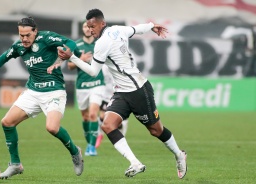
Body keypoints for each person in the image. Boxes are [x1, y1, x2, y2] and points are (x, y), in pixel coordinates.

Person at [48, 9, 187, 179]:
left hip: (138, 90)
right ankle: (135, 162)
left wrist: (73, 58)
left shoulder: (102, 43)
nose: (91, 30)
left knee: (156, 130)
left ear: (102, 23)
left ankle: (179, 154)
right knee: (107, 125)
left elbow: (93, 71)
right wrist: (152, 26)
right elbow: (137, 29)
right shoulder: (118, 29)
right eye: (88, 27)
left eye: (93, 26)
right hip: (121, 91)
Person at [0, 17, 84, 179]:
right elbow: (4, 57)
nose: (24, 39)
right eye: (21, 35)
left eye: (28, 35)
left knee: (52, 128)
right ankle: (15, 164)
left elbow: (71, 43)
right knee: (7, 122)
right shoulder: (19, 46)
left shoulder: (46, 38)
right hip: (33, 92)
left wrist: (61, 58)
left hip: (54, 91)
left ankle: (75, 152)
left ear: (35, 31)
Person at [68, 21, 105, 156]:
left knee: (93, 114)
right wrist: (80, 59)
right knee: (85, 117)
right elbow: (69, 66)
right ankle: (89, 141)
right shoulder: (76, 45)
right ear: (82, 29)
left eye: (90, 26)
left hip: (97, 84)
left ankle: (91, 146)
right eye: (85, 26)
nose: (88, 28)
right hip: (82, 85)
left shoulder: (99, 43)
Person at [95, 65, 129, 148]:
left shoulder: (120, 65)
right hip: (106, 95)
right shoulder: (103, 66)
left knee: (119, 121)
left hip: (118, 95)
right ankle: (100, 135)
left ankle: (121, 138)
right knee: (102, 116)